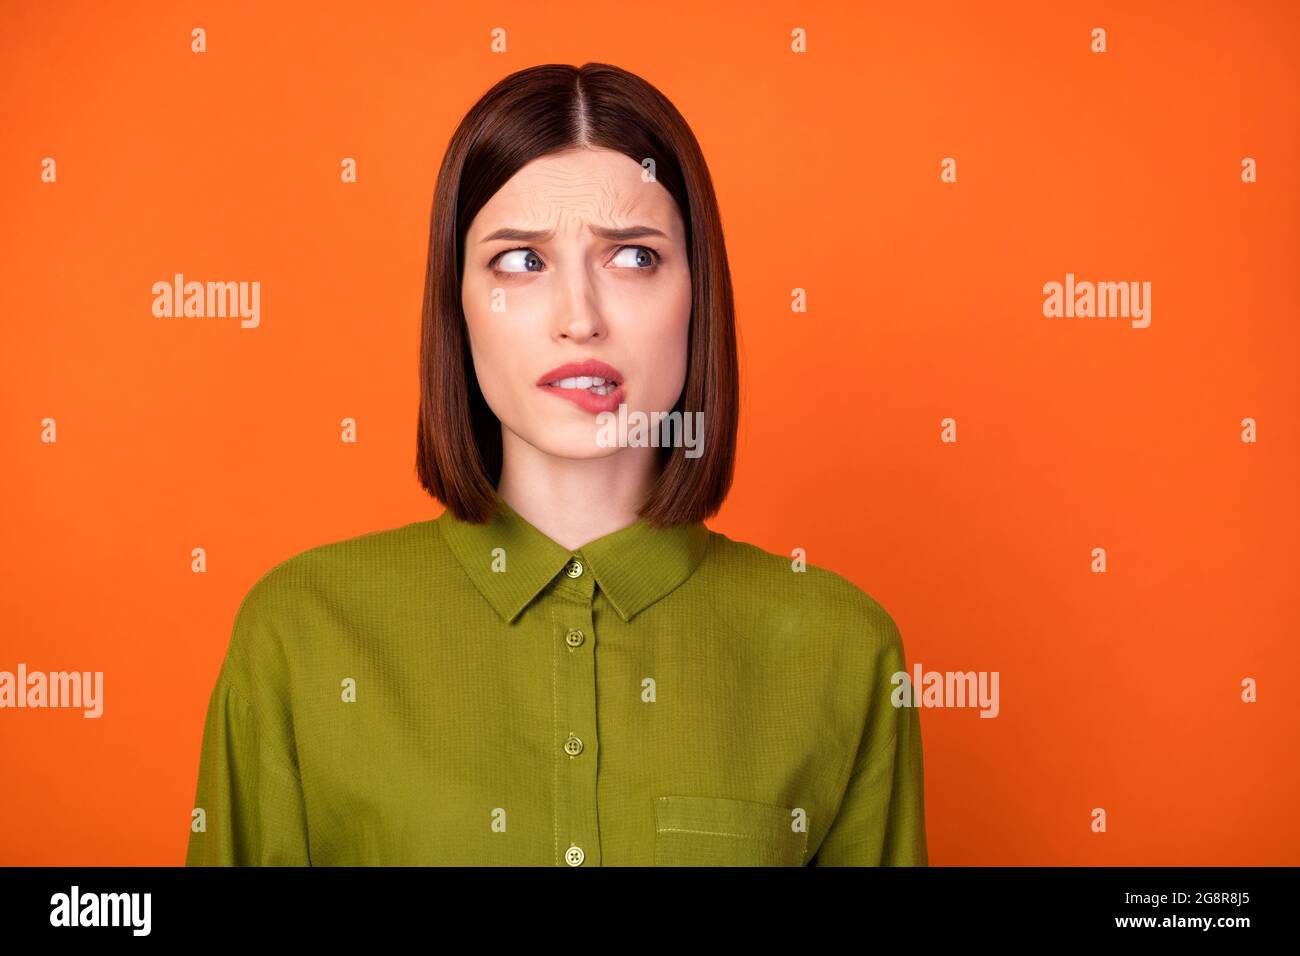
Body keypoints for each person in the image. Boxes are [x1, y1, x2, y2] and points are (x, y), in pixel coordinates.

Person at [185, 62, 927, 867]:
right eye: (521, 262)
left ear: (698, 293)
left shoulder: (843, 650)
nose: (581, 318)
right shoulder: (301, 633)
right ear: (457, 306)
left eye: (634, 258)